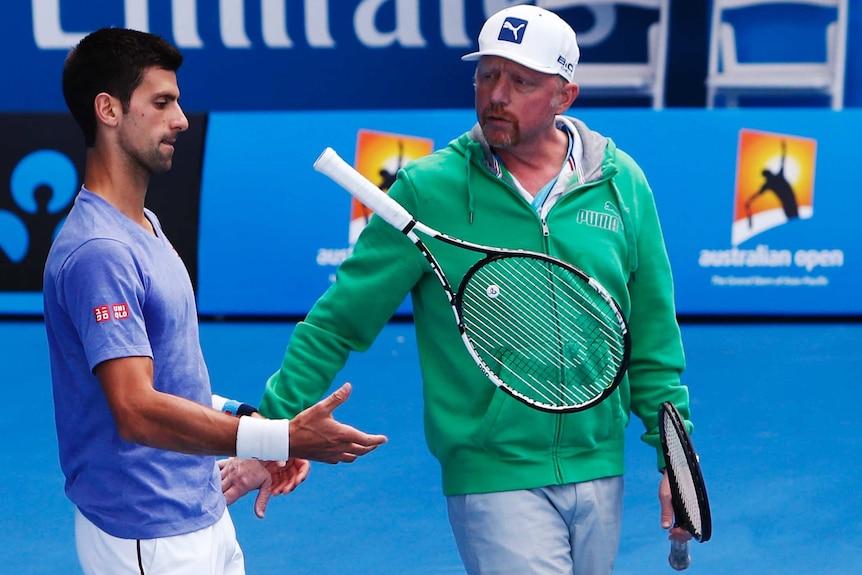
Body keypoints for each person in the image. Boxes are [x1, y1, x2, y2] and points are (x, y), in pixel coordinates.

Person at [259, 5, 693, 574]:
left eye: (521, 81)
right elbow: (338, 321)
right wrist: (269, 432)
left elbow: (653, 341)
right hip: (493, 475)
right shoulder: (427, 190)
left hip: (599, 468)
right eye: (487, 75)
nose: (497, 94)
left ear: (564, 96)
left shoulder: (621, 184)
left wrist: (678, 465)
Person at [43, 27, 386, 575]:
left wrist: (248, 421)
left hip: (200, 510)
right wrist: (280, 433)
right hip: (146, 533)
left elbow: (173, 380)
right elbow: (135, 410)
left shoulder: (145, 226)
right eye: (162, 102)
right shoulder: (99, 251)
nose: (180, 119)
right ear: (108, 110)